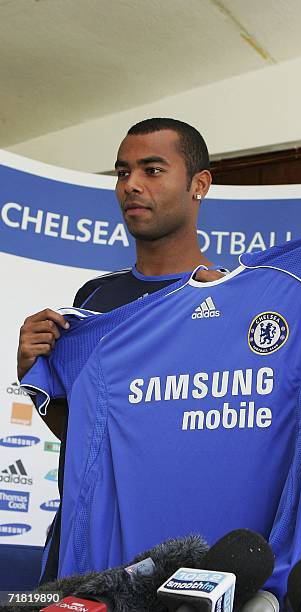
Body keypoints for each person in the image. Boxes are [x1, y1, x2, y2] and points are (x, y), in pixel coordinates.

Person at [16, 117, 224, 583]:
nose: (131, 185)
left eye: (152, 170)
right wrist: (35, 379)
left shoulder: (231, 296)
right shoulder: (93, 299)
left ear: (199, 184)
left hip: (184, 555)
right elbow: (85, 435)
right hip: (88, 553)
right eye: (122, 172)